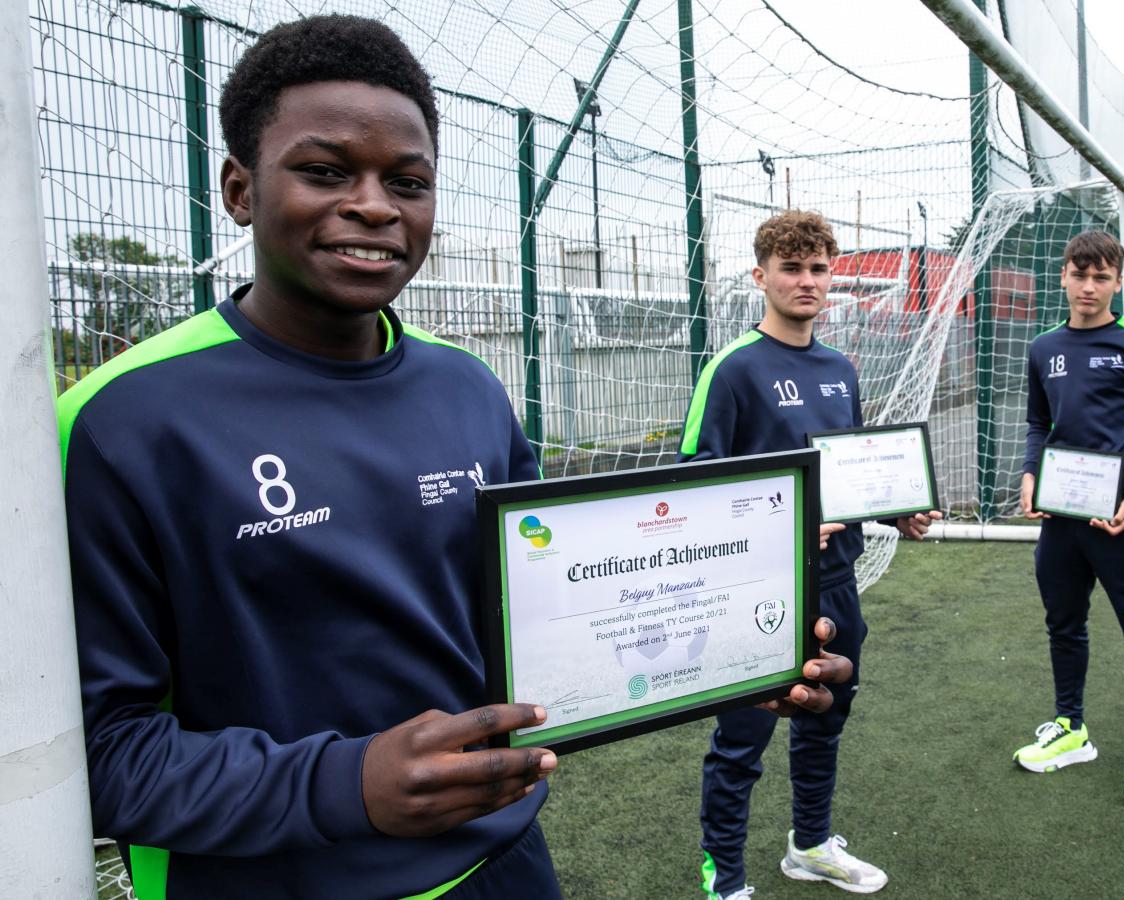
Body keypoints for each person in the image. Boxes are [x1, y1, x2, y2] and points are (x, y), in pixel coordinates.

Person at [58, 17, 845, 899]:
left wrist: (740, 658)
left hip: (499, 857)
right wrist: (344, 785)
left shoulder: (468, 387)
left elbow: (553, 616)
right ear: (239, 189)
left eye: (408, 181)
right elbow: (89, 753)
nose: (374, 205)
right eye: (324, 172)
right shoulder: (115, 420)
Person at [680, 210, 940, 898]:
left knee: (828, 713)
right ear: (760, 276)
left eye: (818, 268)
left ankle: (810, 844)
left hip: (835, 582)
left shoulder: (838, 368)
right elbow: (689, 494)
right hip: (757, 590)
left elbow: (845, 476)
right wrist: (782, 525)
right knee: (743, 739)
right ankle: (724, 876)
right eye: (791, 268)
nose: (806, 281)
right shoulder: (732, 371)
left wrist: (894, 506)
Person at [1012, 230, 1124, 805]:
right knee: (1064, 626)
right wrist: (1031, 473)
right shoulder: (1043, 348)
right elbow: (1040, 423)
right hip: (1060, 522)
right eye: (1079, 275)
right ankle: (1071, 729)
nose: (1089, 287)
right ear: (1063, 276)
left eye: (1101, 277)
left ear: (1116, 282)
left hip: (1121, 523)